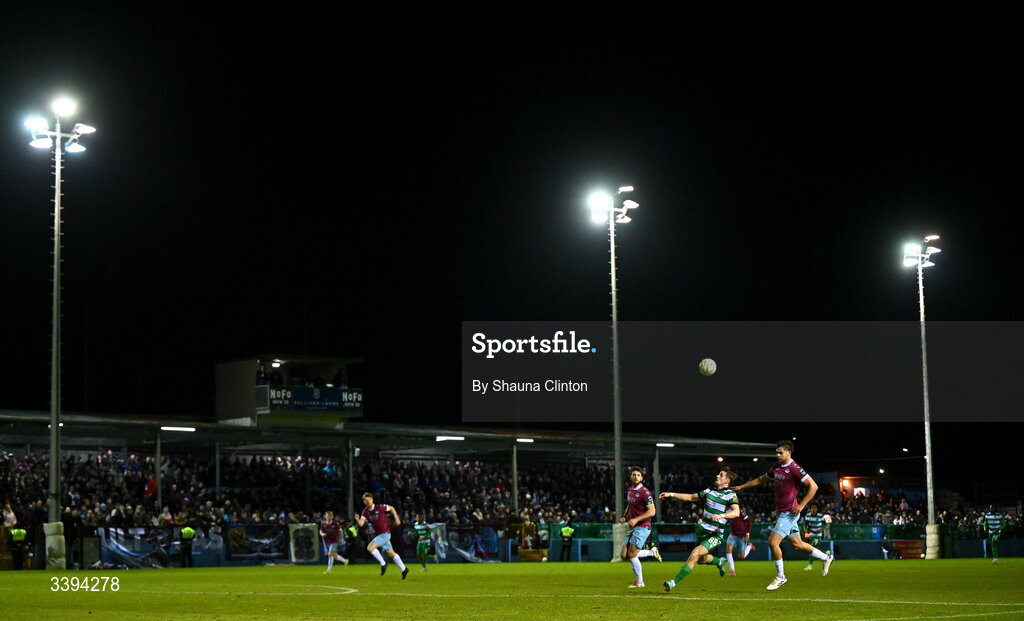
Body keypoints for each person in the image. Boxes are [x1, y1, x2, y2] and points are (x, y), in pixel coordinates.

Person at [732, 440, 834, 591]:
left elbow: (813, 486)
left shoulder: (794, 468)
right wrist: (741, 486)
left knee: (773, 542)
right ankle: (827, 558)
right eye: (776, 453)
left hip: (789, 513)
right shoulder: (776, 468)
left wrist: (801, 505)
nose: (778, 455)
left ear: (788, 453)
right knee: (797, 545)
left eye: (780, 453)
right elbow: (761, 479)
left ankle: (781, 577)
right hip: (783, 512)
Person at [660, 468, 740, 592]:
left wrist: (722, 515)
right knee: (701, 560)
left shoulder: (731, 495)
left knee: (695, 554)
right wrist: (671, 494)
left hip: (716, 534)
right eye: (718, 473)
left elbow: (736, 512)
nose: (717, 476)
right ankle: (719, 561)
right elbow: (691, 497)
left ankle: (672, 582)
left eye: (721, 475)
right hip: (702, 531)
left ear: (727, 481)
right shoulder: (709, 491)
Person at [619, 466, 662, 589]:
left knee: (632, 554)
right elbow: (629, 505)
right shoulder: (630, 490)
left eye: (638, 475)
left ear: (642, 478)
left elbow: (652, 511)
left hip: (643, 526)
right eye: (633, 475)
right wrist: (624, 516)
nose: (636, 477)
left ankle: (639, 582)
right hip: (632, 525)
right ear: (630, 477)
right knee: (623, 555)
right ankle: (651, 552)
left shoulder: (645, 493)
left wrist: (636, 519)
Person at [354, 492, 408, 579]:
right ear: (363, 501)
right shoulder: (365, 512)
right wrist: (357, 519)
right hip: (380, 534)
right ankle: (404, 569)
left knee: (370, 548)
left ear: (372, 500)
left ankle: (383, 563)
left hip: (385, 533)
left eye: (369, 499)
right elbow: (361, 524)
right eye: (365, 500)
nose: (368, 501)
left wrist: (397, 518)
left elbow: (392, 508)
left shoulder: (380, 507)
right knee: (390, 553)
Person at [725, 509, 755, 576]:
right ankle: (732, 571)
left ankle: (749, 546)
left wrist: (748, 533)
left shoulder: (740, 511)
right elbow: (724, 521)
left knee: (742, 556)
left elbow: (748, 521)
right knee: (728, 550)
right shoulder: (728, 511)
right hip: (733, 535)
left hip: (742, 536)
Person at [802, 503, 827, 571]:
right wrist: (805, 530)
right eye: (812, 507)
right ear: (810, 509)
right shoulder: (808, 516)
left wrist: (821, 529)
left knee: (812, 548)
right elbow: (804, 524)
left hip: (817, 535)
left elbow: (825, 524)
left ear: (817, 509)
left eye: (815, 507)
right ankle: (826, 553)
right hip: (810, 533)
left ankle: (810, 566)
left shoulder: (820, 516)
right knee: (809, 549)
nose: (813, 509)